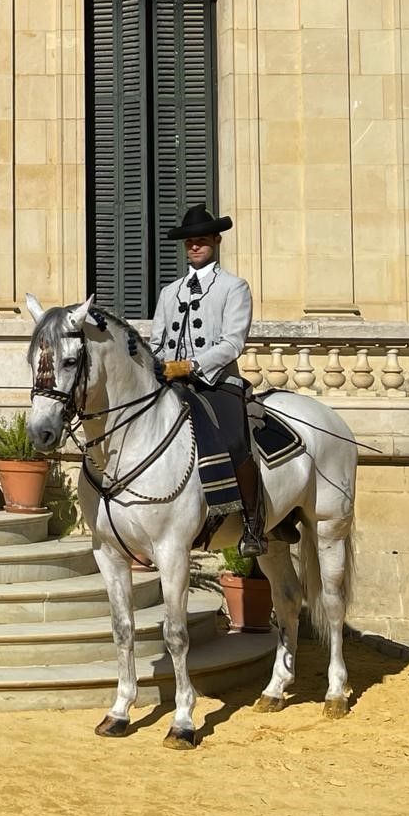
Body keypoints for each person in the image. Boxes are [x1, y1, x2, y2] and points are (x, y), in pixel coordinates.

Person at [150, 204, 287, 557]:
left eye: (201, 241)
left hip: (217, 382)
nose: (195, 247)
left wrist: (192, 365)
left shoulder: (234, 287)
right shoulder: (170, 292)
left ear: (216, 240)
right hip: (172, 382)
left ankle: (253, 523)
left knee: (234, 438)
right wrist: (159, 366)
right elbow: (156, 341)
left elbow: (232, 342)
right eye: (189, 242)